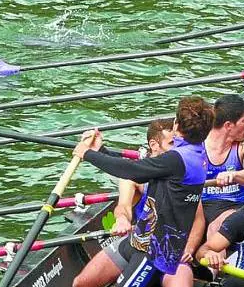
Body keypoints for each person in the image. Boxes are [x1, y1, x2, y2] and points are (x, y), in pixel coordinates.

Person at [73, 96, 214, 287]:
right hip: (137, 239)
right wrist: (101, 150)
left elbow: (132, 171)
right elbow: (143, 170)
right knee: (81, 283)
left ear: (176, 125)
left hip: (154, 251)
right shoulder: (195, 152)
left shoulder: (179, 160)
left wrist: (87, 154)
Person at [203, 94, 244, 242]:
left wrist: (233, 175)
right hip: (199, 206)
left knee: (215, 228)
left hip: (234, 206)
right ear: (228, 125)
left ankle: (213, 258)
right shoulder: (199, 142)